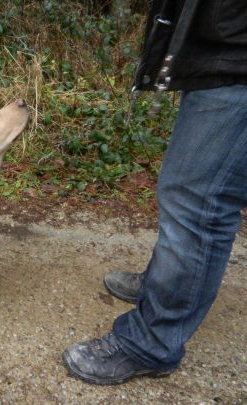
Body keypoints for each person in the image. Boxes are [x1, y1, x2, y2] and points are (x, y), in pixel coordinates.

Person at [62, 0, 247, 385]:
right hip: (222, 53)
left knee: (199, 205)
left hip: (237, 57)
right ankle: (162, 286)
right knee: (189, 192)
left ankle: (151, 343)